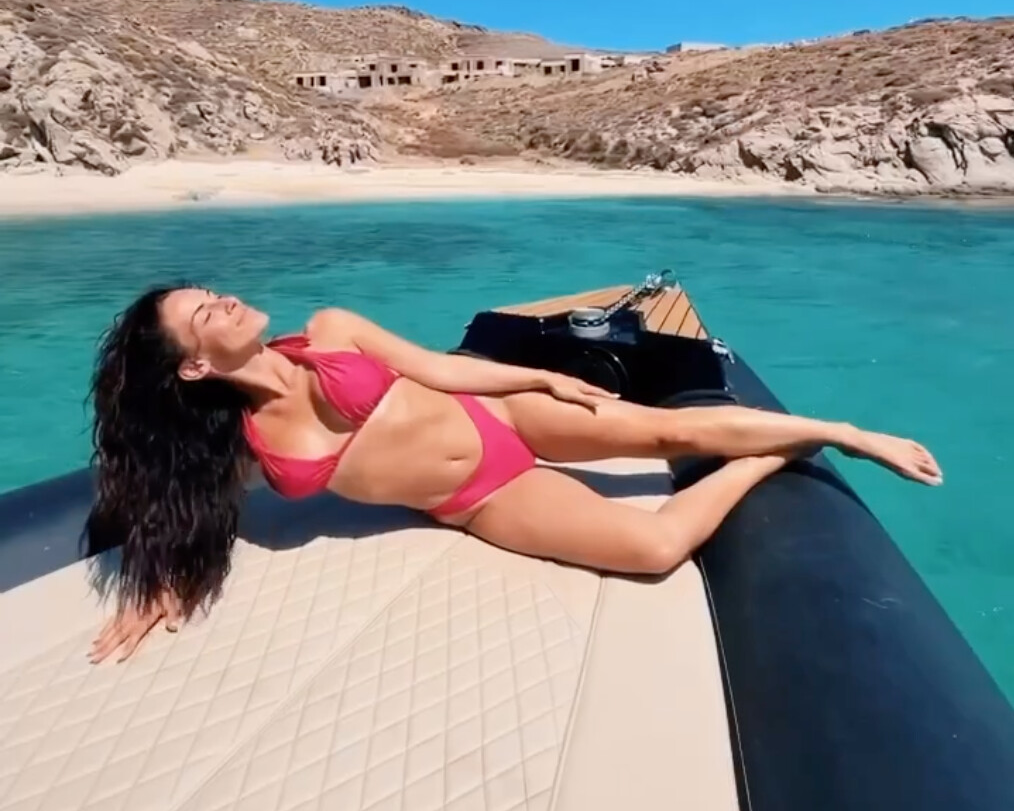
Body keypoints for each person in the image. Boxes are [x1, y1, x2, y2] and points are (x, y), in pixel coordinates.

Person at [87, 285, 943, 662]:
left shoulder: (330, 330)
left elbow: (440, 368)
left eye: (213, 291)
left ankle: (842, 433)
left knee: (662, 429)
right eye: (206, 312)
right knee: (651, 549)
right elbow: (182, 505)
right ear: (194, 366)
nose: (226, 299)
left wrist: (540, 379)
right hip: (479, 497)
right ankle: (761, 460)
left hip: (495, 416)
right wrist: (162, 581)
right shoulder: (241, 446)